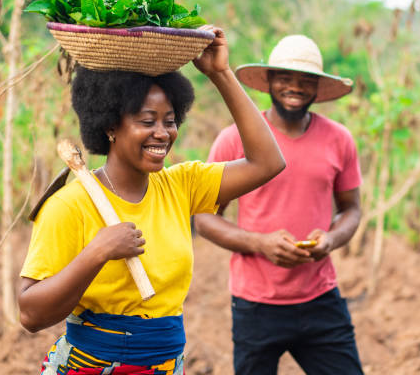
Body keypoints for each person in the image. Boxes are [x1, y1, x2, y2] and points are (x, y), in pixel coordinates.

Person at [18, 26, 285, 375]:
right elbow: (30, 313)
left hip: (164, 365)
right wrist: (98, 252)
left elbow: (268, 162)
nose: (162, 133)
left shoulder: (181, 185)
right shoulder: (69, 205)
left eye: (170, 121)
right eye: (147, 121)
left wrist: (221, 74)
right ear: (110, 126)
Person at [194, 34, 364, 375]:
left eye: (305, 81)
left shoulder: (339, 139)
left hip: (321, 299)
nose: (294, 87)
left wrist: (330, 239)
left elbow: (351, 209)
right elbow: (205, 218)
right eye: (285, 77)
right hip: (255, 303)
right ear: (269, 80)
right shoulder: (234, 139)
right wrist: (260, 243)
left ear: (317, 88)